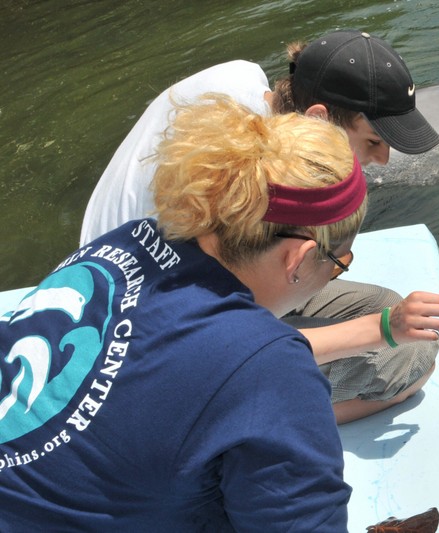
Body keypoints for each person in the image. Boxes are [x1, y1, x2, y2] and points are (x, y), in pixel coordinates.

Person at [1, 96, 364, 530]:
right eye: (339, 262)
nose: (336, 273)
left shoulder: (125, 240)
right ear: (299, 259)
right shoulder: (268, 364)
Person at [80, 30, 439, 424]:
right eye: (373, 141)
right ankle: (249, 423)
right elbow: (214, 345)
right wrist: (383, 331)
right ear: (319, 119)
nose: (383, 160)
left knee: (381, 301)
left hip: (106, 276)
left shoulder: (238, 87)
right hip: (133, 353)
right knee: (410, 364)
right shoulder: (246, 184)